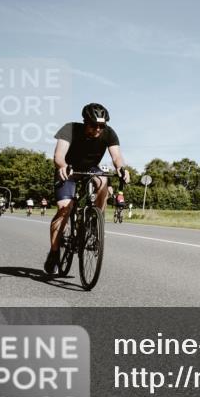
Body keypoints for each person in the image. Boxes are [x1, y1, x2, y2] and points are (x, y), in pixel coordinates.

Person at [43, 103, 130, 275]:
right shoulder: (70, 129)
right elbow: (58, 156)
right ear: (85, 122)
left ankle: (94, 221)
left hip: (91, 168)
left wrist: (121, 168)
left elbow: (117, 156)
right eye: (93, 125)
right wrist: (62, 165)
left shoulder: (109, 133)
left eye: (101, 126)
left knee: (104, 181)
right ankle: (54, 252)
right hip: (69, 169)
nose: (98, 129)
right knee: (64, 208)